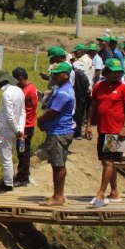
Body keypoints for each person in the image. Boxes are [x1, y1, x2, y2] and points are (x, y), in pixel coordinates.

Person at [86, 59, 125, 208]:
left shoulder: (124, 86)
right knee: (107, 162)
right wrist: (88, 125)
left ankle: (100, 194)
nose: (117, 74)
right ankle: (114, 192)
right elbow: (93, 106)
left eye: (119, 72)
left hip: (118, 131)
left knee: (108, 162)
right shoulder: (98, 86)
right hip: (103, 129)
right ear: (107, 72)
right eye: (114, 72)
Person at [36, 62, 76, 206]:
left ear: (65, 75)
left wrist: (40, 120)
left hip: (59, 131)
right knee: (59, 163)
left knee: (58, 164)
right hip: (61, 130)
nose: (53, 77)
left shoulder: (64, 93)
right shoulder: (64, 89)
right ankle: (58, 194)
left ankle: (58, 196)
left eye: (56, 75)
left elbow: (52, 112)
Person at [0, 70, 26, 192]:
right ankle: (9, 180)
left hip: (5, 130)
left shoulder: (6, 94)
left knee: (5, 157)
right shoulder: (19, 91)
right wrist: (20, 129)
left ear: (1, 82)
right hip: (15, 130)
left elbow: (9, 115)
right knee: (9, 156)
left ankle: (8, 184)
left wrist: (17, 130)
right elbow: (22, 112)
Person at [13, 67, 38, 185]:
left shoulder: (25, 92)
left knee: (22, 151)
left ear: (21, 78)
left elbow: (15, 101)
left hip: (25, 127)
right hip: (29, 124)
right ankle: (24, 174)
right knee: (24, 151)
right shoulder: (32, 88)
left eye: (17, 80)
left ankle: (22, 177)